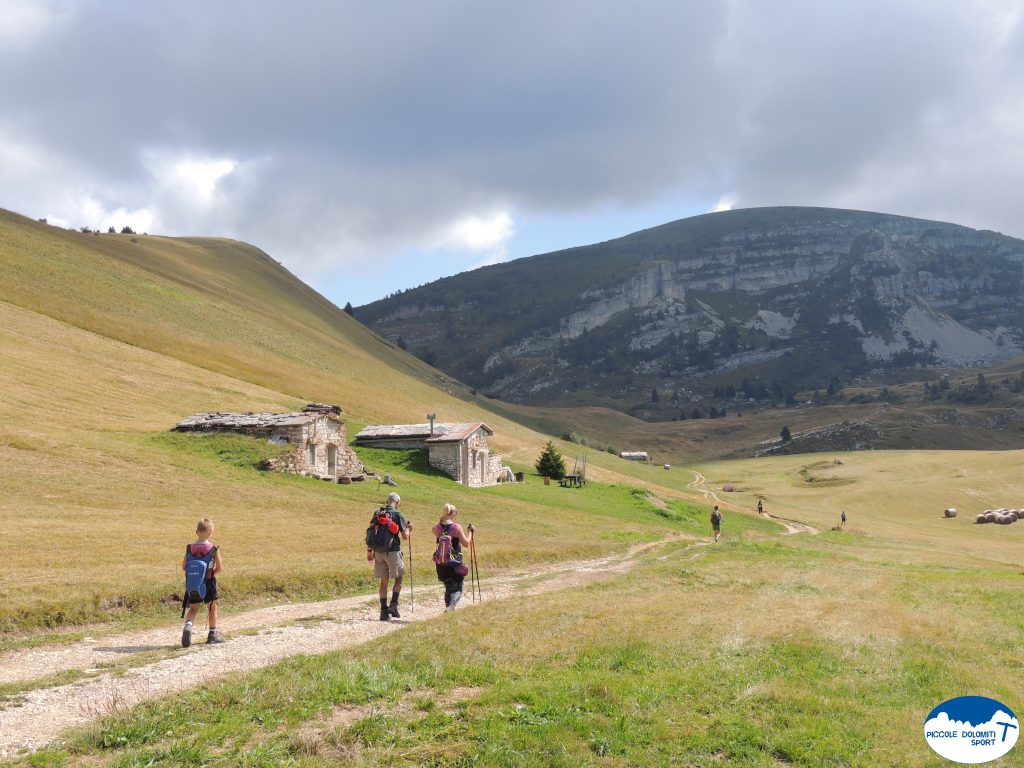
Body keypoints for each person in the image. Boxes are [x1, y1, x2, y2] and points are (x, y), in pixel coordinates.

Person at [367, 491, 411, 621]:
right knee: (399, 578)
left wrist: (369, 551)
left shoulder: (377, 513)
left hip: (378, 552)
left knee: (384, 582)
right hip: (393, 551)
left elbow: (370, 533)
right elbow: (404, 537)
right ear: (397, 503)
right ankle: (393, 605)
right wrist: (409, 529)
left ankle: (383, 611)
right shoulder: (398, 514)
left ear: (387, 501)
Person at [181, 518, 224, 647]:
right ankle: (212, 634)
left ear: (196, 532)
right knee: (212, 607)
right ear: (210, 532)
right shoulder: (213, 548)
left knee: (194, 608)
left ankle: (188, 625)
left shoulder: (190, 548)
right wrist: (211, 574)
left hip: (193, 582)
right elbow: (220, 568)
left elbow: (184, 567)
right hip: (209, 582)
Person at [432, 503, 474, 611]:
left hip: (441, 563)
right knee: (459, 587)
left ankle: (448, 609)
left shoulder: (436, 527)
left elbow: (436, 532)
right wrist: (470, 533)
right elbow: (466, 544)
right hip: (454, 562)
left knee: (448, 588)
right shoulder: (457, 527)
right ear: (453, 513)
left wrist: (440, 521)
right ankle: (451, 607)